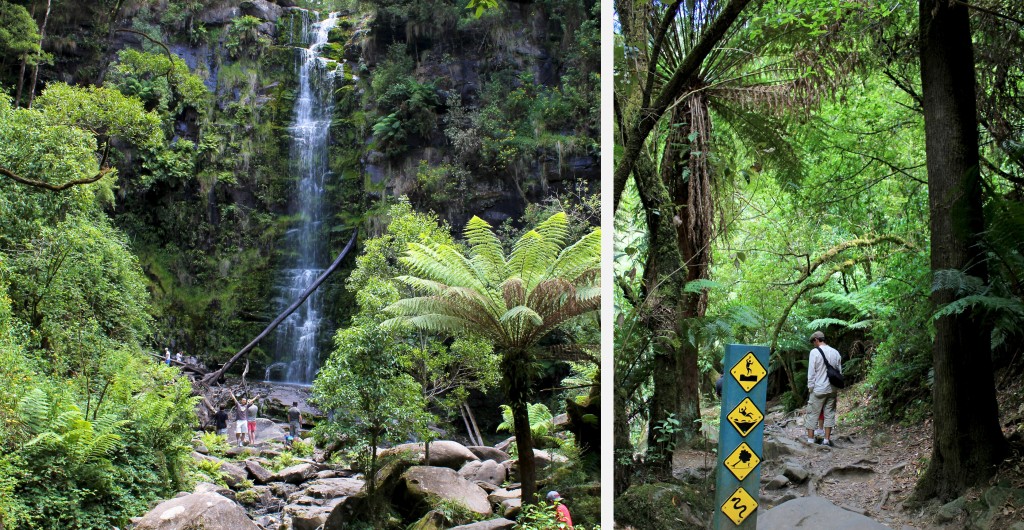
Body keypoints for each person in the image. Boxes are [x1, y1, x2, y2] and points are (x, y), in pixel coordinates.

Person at [805, 330, 842, 447]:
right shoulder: (835, 352)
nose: (813, 344)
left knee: (812, 414)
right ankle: (826, 440)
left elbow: (811, 373)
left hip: (819, 389)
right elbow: (839, 372)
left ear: (816, 340)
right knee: (829, 414)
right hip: (832, 389)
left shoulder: (814, 352)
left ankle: (810, 441)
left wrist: (810, 388)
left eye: (813, 342)